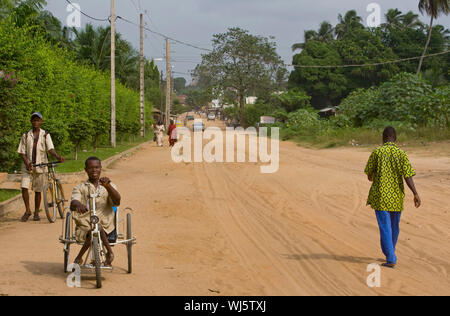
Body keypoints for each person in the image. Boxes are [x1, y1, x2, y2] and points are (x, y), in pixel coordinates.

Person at [365, 127, 421, 268]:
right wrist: (415, 193)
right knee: (394, 226)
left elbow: (369, 175)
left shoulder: (377, 152)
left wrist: (374, 176)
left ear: (383, 138)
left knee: (385, 226)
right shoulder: (401, 154)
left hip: (381, 197)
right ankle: (391, 252)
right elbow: (408, 176)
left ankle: (391, 258)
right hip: (396, 197)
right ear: (395, 138)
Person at [70, 157, 120, 267]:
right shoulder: (80, 187)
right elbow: (73, 202)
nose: (94, 170)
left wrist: (108, 187)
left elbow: (117, 201)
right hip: (85, 224)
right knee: (95, 228)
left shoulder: (108, 185)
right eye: (91, 168)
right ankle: (110, 252)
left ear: (101, 169)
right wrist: (78, 205)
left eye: (97, 167)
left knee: (98, 227)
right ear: (86, 170)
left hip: (106, 224)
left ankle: (79, 258)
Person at [17, 112, 65, 222]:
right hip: (27, 166)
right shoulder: (25, 135)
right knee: (24, 187)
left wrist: (57, 156)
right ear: (31, 122)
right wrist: (27, 162)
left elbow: (50, 149)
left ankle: (36, 212)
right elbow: (22, 152)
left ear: (41, 122)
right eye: (33, 120)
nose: (35, 122)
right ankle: (27, 210)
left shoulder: (45, 135)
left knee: (38, 190)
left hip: (41, 165)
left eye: (38, 120)